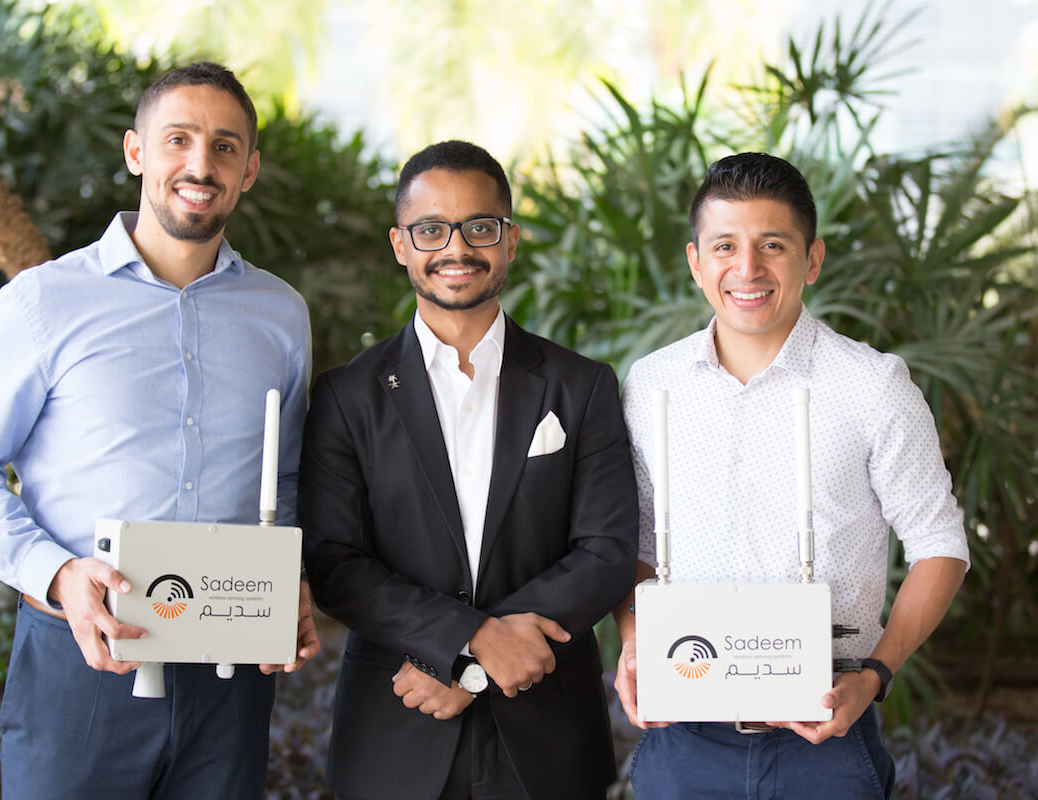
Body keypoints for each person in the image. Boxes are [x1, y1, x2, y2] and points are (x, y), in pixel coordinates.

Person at [0, 62, 319, 800]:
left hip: (230, 676)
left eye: (225, 146)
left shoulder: (281, 315)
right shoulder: (43, 302)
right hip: (81, 662)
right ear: (136, 152)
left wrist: (287, 575)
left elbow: (286, 476)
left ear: (249, 170)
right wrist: (56, 574)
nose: (201, 165)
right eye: (178, 139)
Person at [612, 152, 970, 799]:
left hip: (826, 740)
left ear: (812, 259)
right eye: (725, 246)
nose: (747, 269)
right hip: (685, 736)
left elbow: (938, 542)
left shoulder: (873, 386)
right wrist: (636, 644)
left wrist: (875, 674)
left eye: (772, 245)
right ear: (696, 262)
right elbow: (631, 542)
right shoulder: (651, 384)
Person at [297, 140, 641, 800]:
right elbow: (336, 563)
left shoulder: (581, 386)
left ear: (510, 239)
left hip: (546, 739)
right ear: (401, 244)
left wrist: (468, 663)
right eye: (431, 230)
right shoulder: (346, 395)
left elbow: (606, 551)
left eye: (479, 227)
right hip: (397, 727)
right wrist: (470, 641)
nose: (456, 248)